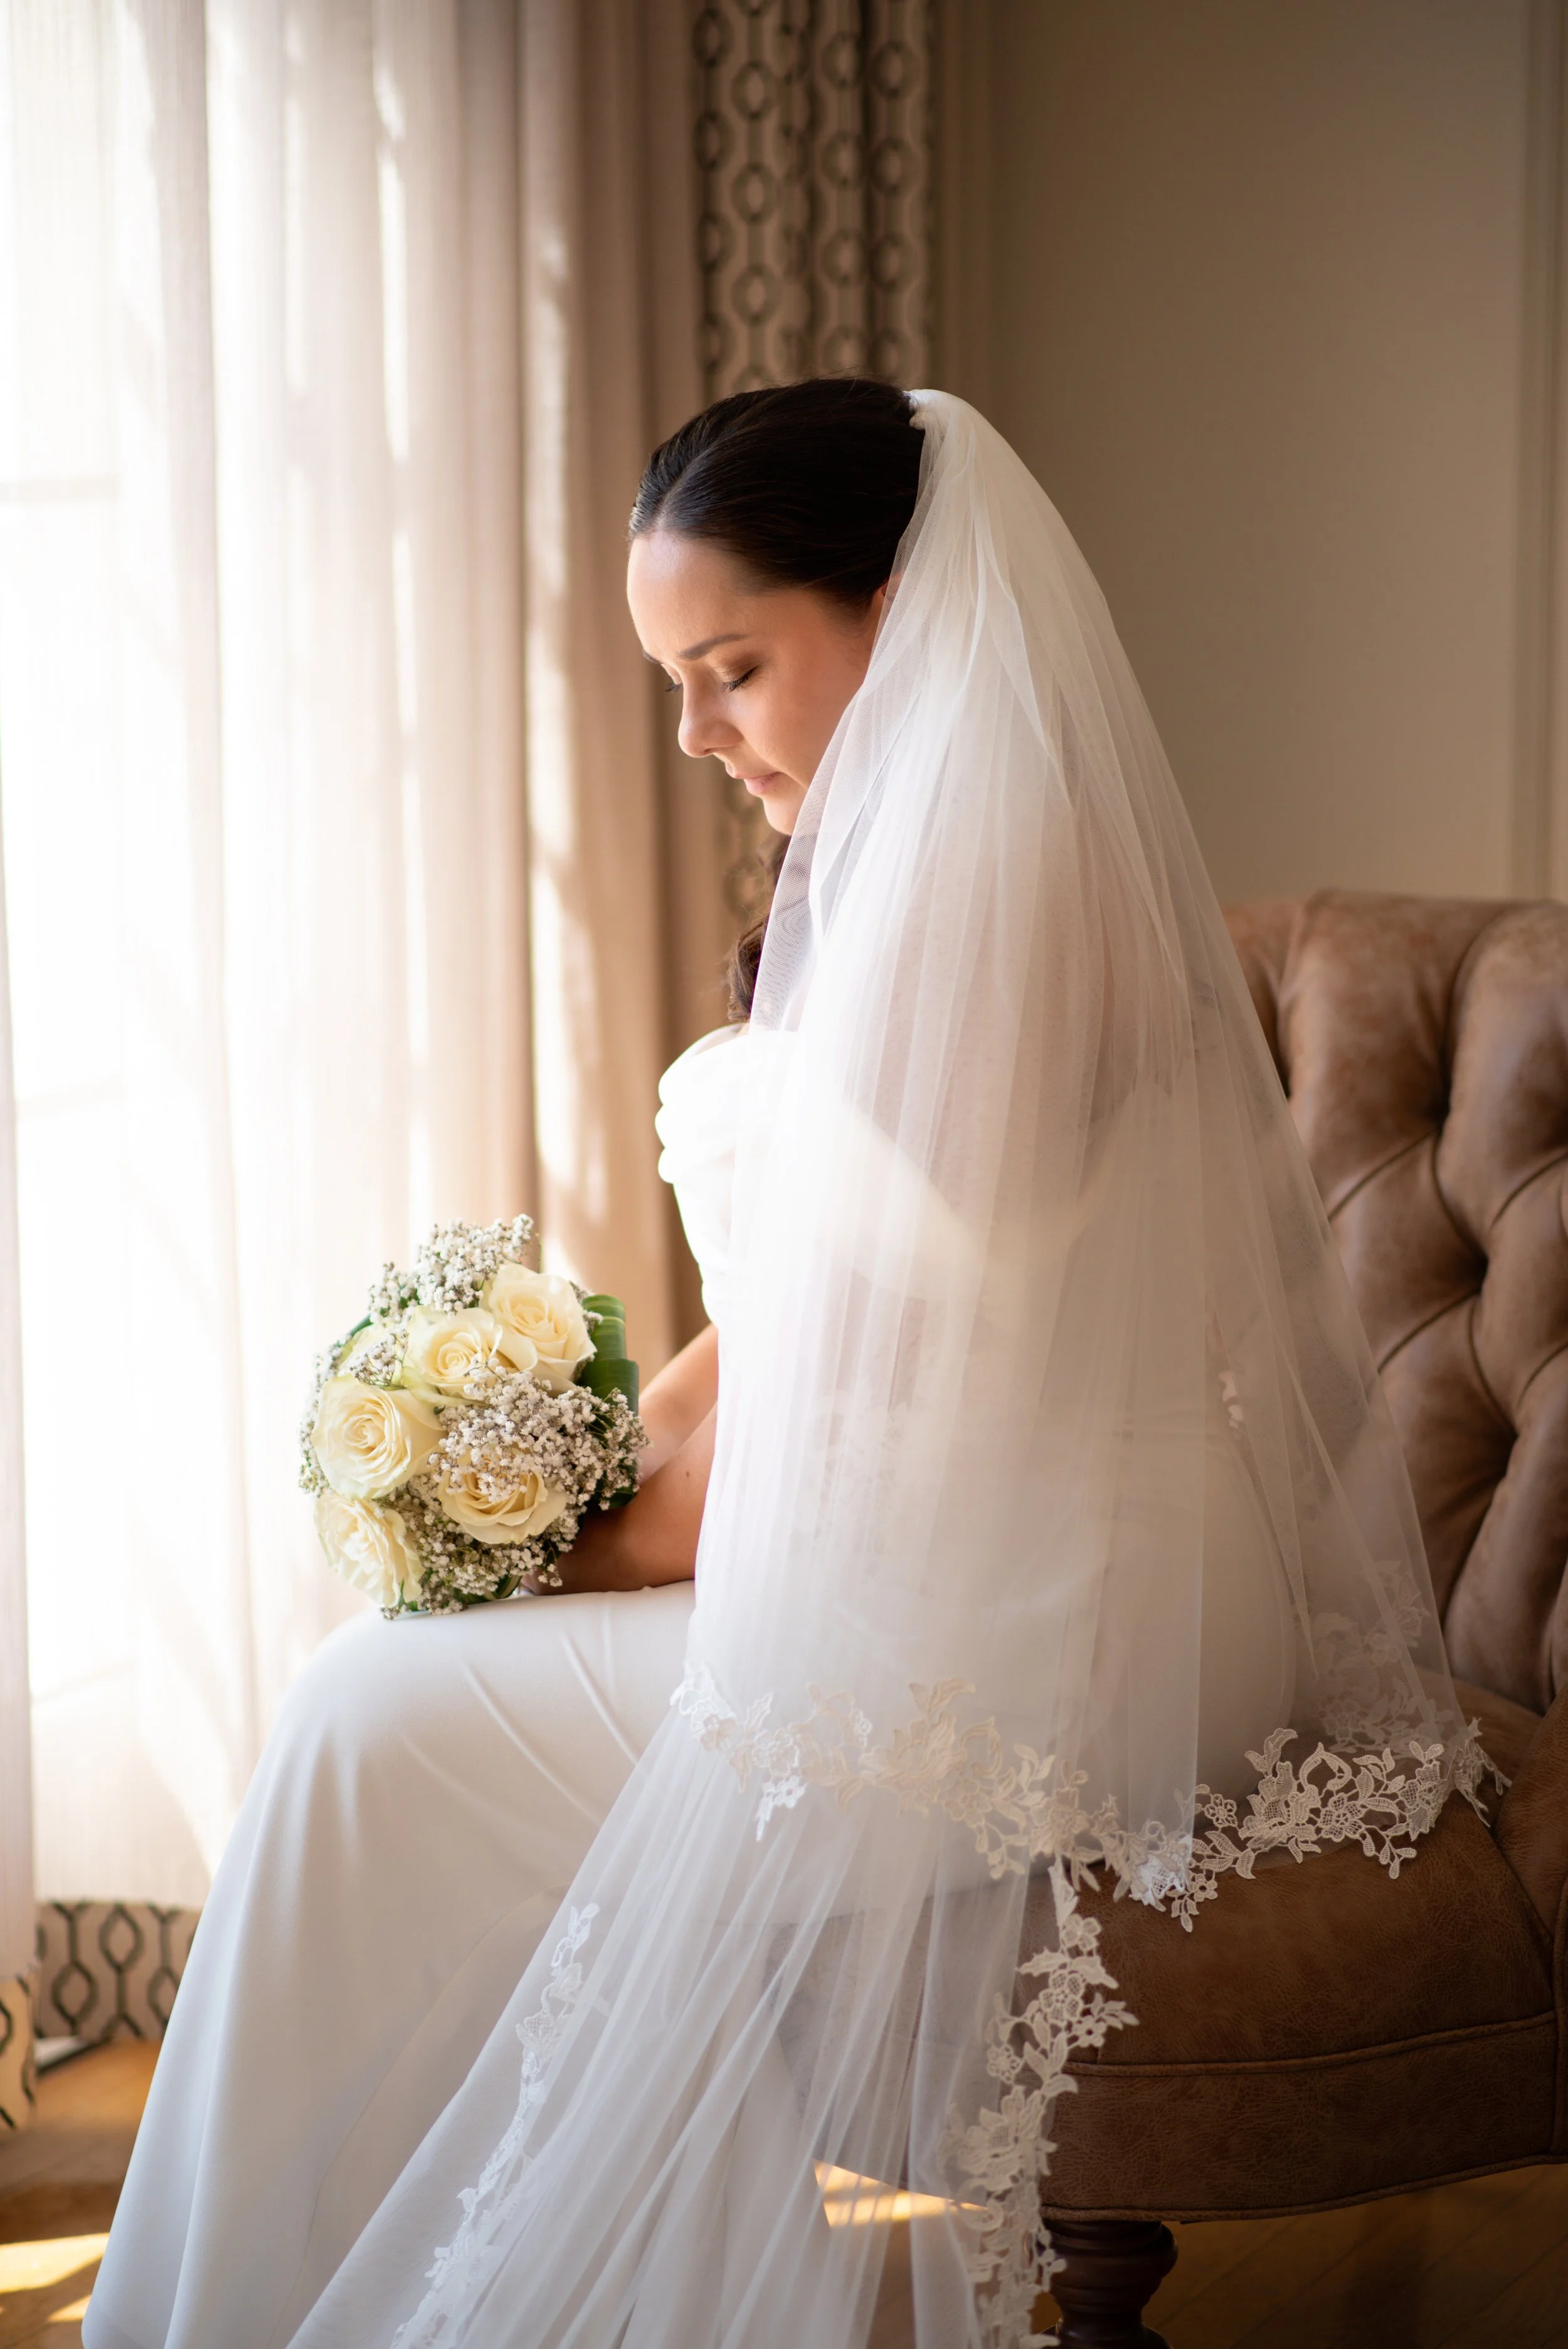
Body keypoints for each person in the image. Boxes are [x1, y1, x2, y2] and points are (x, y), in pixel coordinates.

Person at [87, 382, 1488, 2349]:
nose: (696, 734)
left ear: (900, 608)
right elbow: (789, 1321)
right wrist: (564, 1477)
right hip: (971, 1531)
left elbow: (876, 1408)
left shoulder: (1012, 892)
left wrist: (554, 1548)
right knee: (381, 1713)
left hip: (1054, 1603)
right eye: (679, 679)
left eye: (731, 668)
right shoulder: (926, 850)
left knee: (357, 1730)